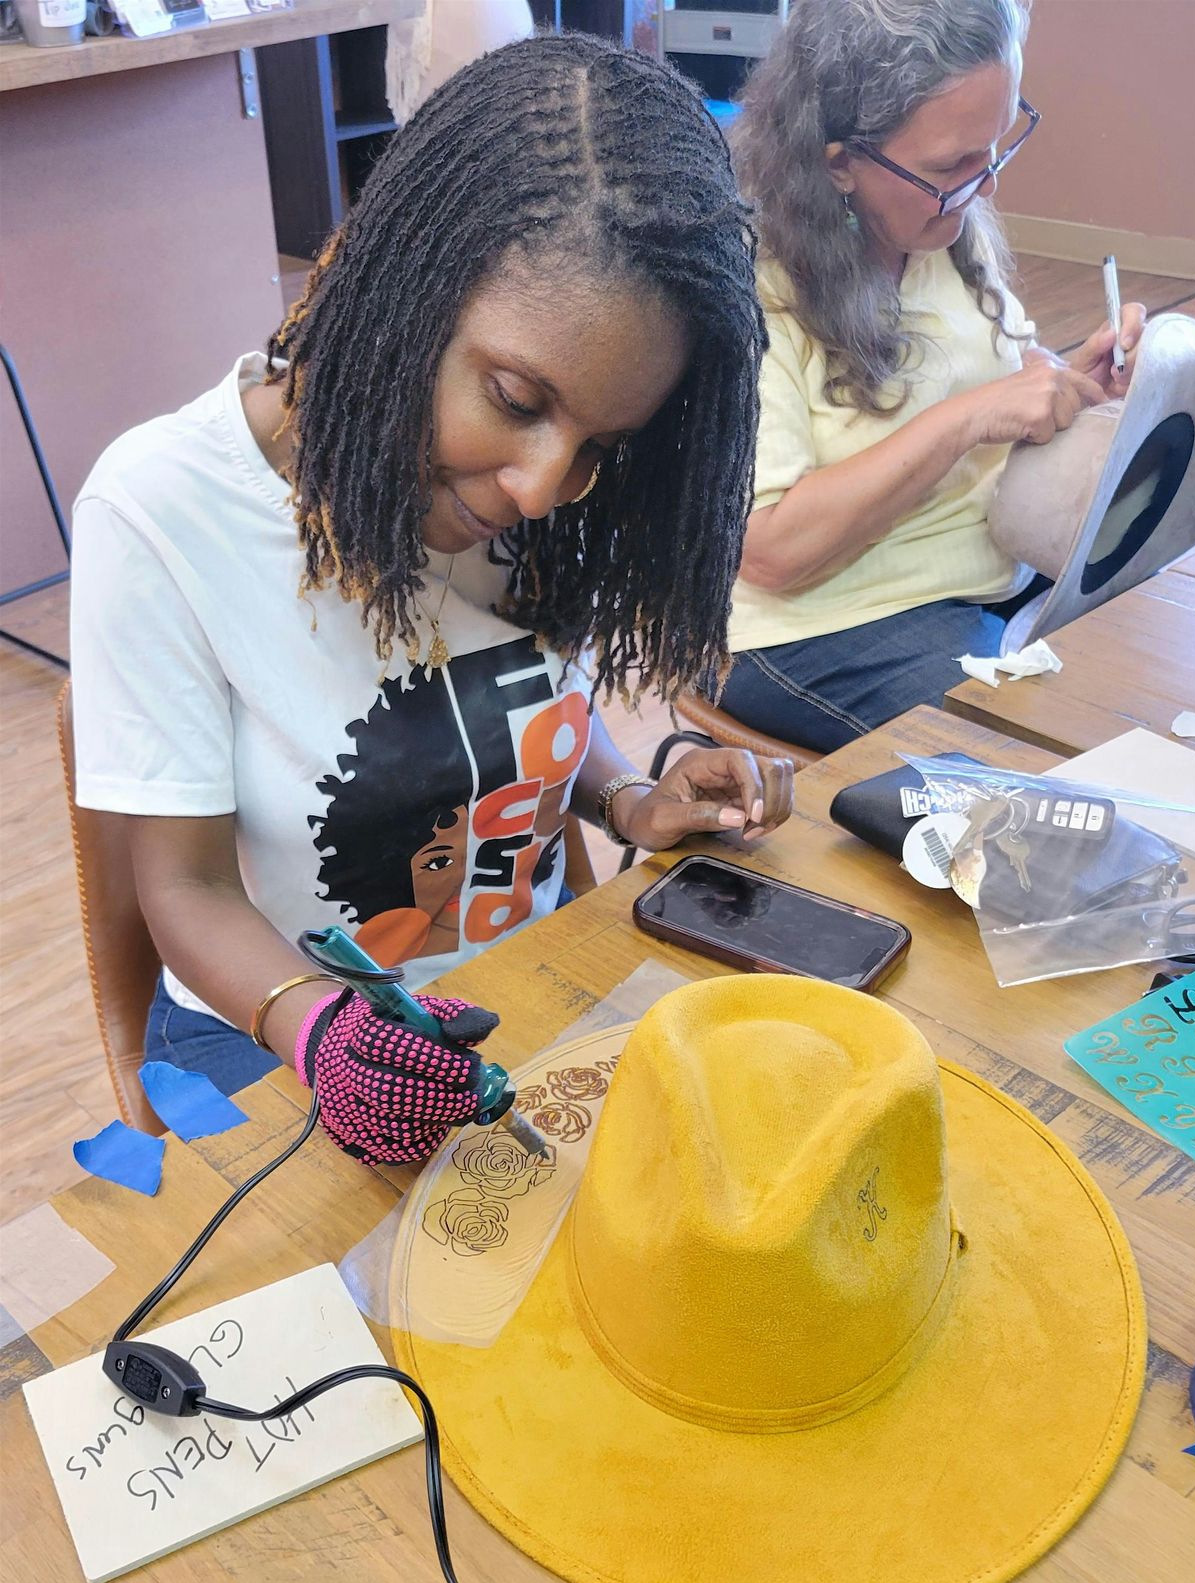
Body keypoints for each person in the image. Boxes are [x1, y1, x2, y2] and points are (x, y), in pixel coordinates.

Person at [70, 34, 791, 1110]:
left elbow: (527, 696)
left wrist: (632, 798)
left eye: (600, 445)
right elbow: (185, 883)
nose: (546, 487)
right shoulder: (165, 505)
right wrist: (320, 1027)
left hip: (525, 994)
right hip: (270, 1030)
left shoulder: (536, 489)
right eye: (513, 398)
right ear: (401, 289)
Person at [720, 0, 1147, 752]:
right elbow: (770, 550)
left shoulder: (939, 229)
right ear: (840, 164)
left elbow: (995, 370)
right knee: (1048, 754)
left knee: (1144, 672)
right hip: (818, 630)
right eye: (952, 165)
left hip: (982, 584)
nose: (983, 187)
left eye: (996, 147)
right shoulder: (755, 289)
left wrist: (1071, 381)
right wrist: (968, 419)